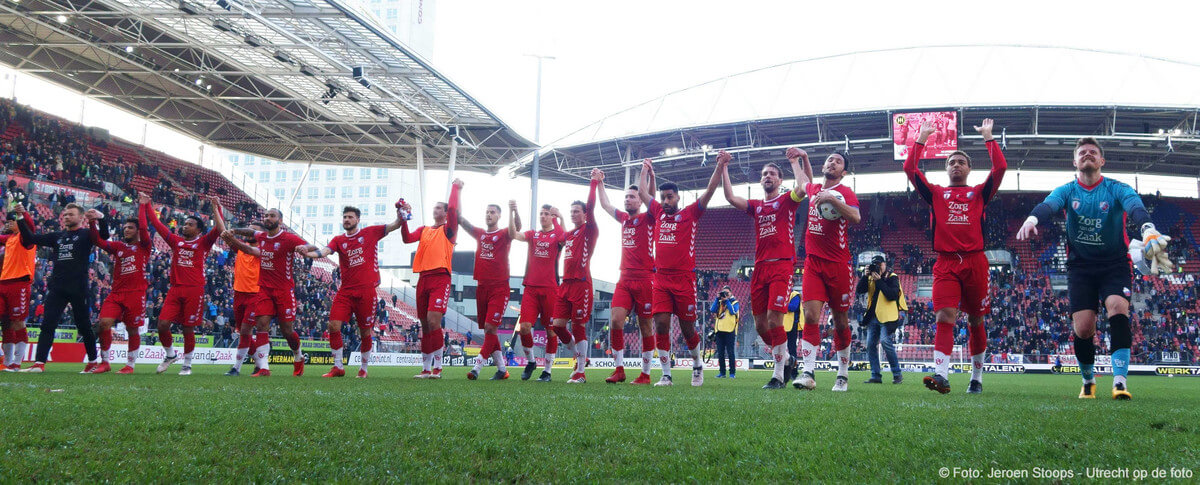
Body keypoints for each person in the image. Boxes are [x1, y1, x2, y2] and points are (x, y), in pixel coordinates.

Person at [1017, 137, 1171, 400]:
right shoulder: (1067, 190)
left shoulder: (1116, 188)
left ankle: (1119, 382)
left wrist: (1147, 229)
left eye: (1093, 152)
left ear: (1102, 161)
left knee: (1118, 308)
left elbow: (1135, 207)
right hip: (1081, 267)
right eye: (1082, 152)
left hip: (1115, 264)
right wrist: (1032, 218)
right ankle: (1088, 380)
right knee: (1084, 328)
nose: (1087, 155)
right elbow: (1048, 205)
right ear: (1075, 161)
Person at [904, 118, 1006, 394]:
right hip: (946, 263)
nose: (956, 165)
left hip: (975, 261)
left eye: (961, 162)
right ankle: (941, 375)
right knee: (944, 316)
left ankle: (976, 378)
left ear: (969, 169)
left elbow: (1000, 168)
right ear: (946, 168)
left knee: (976, 320)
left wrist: (988, 138)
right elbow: (910, 168)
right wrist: (921, 139)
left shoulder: (980, 193)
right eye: (952, 162)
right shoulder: (936, 193)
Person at [721, 147, 812, 389]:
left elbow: (803, 187)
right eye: (764, 173)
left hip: (781, 266)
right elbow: (730, 198)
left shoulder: (787, 201)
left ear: (780, 180)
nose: (767, 176)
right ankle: (789, 357)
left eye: (772, 173)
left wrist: (795, 162)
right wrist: (724, 167)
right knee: (761, 325)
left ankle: (778, 375)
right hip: (759, 268)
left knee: (774, 320)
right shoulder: (756, 206)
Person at [639, 154, 723, 387]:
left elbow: (710, 189)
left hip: (685, 280)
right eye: (663, 197)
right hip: (661, 280)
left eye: (669, 197)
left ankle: (697, 365)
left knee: (687, 328)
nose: (665, 201)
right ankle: (666, 374)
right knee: (661, 324)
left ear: (677, 197)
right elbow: (643, 193)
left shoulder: (690, 214)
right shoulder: (656, 212)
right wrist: (645, 170)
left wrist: (719, 165)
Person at [302, 205, 404, 378]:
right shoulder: (338, 240)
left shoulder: (370, 233)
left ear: (358, 219)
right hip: (346, 292)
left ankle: (363, 368)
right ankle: (338, 367)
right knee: (333, 325)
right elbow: (325, 251)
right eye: (344, 217)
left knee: (365, 332)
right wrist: (309, 254)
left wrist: (400, 215)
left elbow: (395, 225)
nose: (347, 220)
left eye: (350, 217)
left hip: (366, 292)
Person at [793, 150, 862, 392]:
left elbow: (855, 216)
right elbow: (803, 182)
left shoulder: (845, 192)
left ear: (843, 172)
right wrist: (797, 160)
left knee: (841, 322)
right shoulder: (814, 190)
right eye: (829, 159)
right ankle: (808, 372)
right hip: (813, 263)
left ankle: (842, 374)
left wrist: (833, 200)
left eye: (838, 161)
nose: (832, 163)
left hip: (839, 265)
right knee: (811, 316)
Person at [221, 208, 314, 377]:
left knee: (287, 330)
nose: (268, 218)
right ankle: (263, 368)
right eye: (266, 215)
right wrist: (235, 231)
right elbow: (251, 234)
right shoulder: (262, 237)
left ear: (280, 220)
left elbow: (310, 245)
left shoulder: (288, 238)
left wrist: (303, 248)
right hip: (264, 289)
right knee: (261, 325)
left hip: (284, 290)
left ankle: (298, 356)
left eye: (272, 216)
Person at [17, 203, 109, 373]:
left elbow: (103, 236)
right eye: (65, 214)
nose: (66, 217)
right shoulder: (57, 236)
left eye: (71, 214)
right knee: (47, 324)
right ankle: (39, 363)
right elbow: (31, 238)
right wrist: (21, 217)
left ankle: (92, 361)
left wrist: (101, 218)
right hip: (57, 287)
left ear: (81, 217)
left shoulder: (87, 234)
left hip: (78, 287)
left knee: (83, 326)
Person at [143, 193, 226, 376]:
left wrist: (216, 207)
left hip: (194, 290)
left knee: (188, 328)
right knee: (162, 324)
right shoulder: (176, 241)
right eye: (185, 223)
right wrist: (147, 204)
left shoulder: (204, 242)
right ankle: (170, 354)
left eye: (190, 224)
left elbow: (220, 229)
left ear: (199, 230)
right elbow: (157, 225)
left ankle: (187, 365)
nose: (185, 226)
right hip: (175, 289)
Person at [594, 163, 656, 384]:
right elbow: (604, 204)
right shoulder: (624, 219)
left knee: (645, 326)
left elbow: (652, 197)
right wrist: (599, 182)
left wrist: (646, 174)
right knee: (616, 320)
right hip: (624, 279)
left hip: (646, 279)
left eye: (632, 197)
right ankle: (619, 370)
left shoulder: (648, 218)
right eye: (626, 197)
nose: (627, 200)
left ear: (640, 200)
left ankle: (646, 374)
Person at [397, 179, 463, 379]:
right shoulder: (425, 229)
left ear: (445, 212)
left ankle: (438, 367)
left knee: (434, 321)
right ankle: (426, 368)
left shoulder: (448, 230)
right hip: (423, 278)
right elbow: (407, 238)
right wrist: (403, 218)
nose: (435, 210)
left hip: (440, 278)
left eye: (439, 208)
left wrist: (455, 188)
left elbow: (453, 209)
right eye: (434, 207)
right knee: (424, 324)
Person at [550, 169, 601, 384]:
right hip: (565, 286)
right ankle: (582, 357)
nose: (573, 214)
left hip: (582, 285)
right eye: (571, 211)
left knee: (579, 326)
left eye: (576, 211)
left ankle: (580, 372)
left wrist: (593, 183)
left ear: (585, 214)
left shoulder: (589, 229)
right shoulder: (570, 235)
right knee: (558, 326)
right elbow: (560, 235)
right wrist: (556, 218)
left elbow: (591, 205)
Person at [89, 204, 152, 374]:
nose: (126, 230)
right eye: (125, 227)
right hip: (116, 293)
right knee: (104, 323)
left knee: (132, 329)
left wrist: (142, 205)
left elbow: (145, 227)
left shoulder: (144, 246)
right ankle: (105, 362)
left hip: (136, 294)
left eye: (130, 227)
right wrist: (92, 222)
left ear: (138, 231)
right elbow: (97, 241)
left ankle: (130, 365)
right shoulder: (118, 247)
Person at [459, 202, 514, 381]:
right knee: (489, 331)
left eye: (492, 212)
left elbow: (517, 227)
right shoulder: (480, 234)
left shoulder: (505, 233)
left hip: (500, 286)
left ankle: (477, 366)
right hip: (482, 286)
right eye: (487, 212)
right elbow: (461, 220)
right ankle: (502, 370)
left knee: (491, 327)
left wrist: (514, 210)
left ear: (499, 216)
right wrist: (457, 191)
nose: (489, 215)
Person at [509, 201, 564, 381]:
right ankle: (531, 361)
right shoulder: (533, 234)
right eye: (541, 213)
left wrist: (561, 217)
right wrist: (513, 211)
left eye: (547, 214)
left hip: (550, 289)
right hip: (531, 288)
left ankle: (547, 371)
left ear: (552, 217)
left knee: (551, 331)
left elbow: (564, 237)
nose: (543, 216)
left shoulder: (557, 236)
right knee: (524, 327)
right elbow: (513, 234)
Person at [857, 255, 905, 385]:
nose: (877, 267)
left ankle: (897, 374)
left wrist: (879, 281)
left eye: (879, 264)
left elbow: (892, 295)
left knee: (885, 341)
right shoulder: (871, 277)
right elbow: (859, 290)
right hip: (873, 316)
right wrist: (865, 276)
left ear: (885, 264)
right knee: (870, 345)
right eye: (875, 265)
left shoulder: (892, 277)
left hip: (887, 317)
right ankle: (875, 375)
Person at [224, 223, 263, 376]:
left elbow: (234, 241)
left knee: (246, 330)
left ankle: (236, 368)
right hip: (238, 293)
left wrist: (231, 237)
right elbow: (223, 232)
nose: (249, 232)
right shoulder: (242, 247)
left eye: (253, 230)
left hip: (255, 294)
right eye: (248, 228)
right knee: (243, 333)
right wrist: (216, 208)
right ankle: (260, 365)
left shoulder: (263, 249)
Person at [0, 207, 36, 371]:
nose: (8, 223)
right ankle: (6, 362)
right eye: (7, 221)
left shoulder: (26, 238)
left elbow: (30, 227)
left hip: (19, 282)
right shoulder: (9, 239)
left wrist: (23, 214)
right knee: (5, 322)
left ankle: (17, 362)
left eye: (11, 221)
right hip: (3, 283)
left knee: (17, 321)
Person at [709, 285, 740, 379]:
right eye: (724, 293)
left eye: (727, 293)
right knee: (720, 353)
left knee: (730, 352)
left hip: (730, 330)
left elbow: (732, 312)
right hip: (719, 330)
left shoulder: (735, 302)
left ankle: (732, 373)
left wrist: (727, 300)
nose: (725, 294)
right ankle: (722, 372)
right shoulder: (719, 302)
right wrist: (717, 298)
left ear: (731, 293)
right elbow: (712, 310)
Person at [782, 276, 803, 383]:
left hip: (791, 325)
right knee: (781, 349)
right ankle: (781, 371)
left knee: (791, 349)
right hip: (781, 324)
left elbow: (793, 307)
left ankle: (794, 372)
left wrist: (781, 305)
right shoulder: (781, 294)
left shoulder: (794, 295)